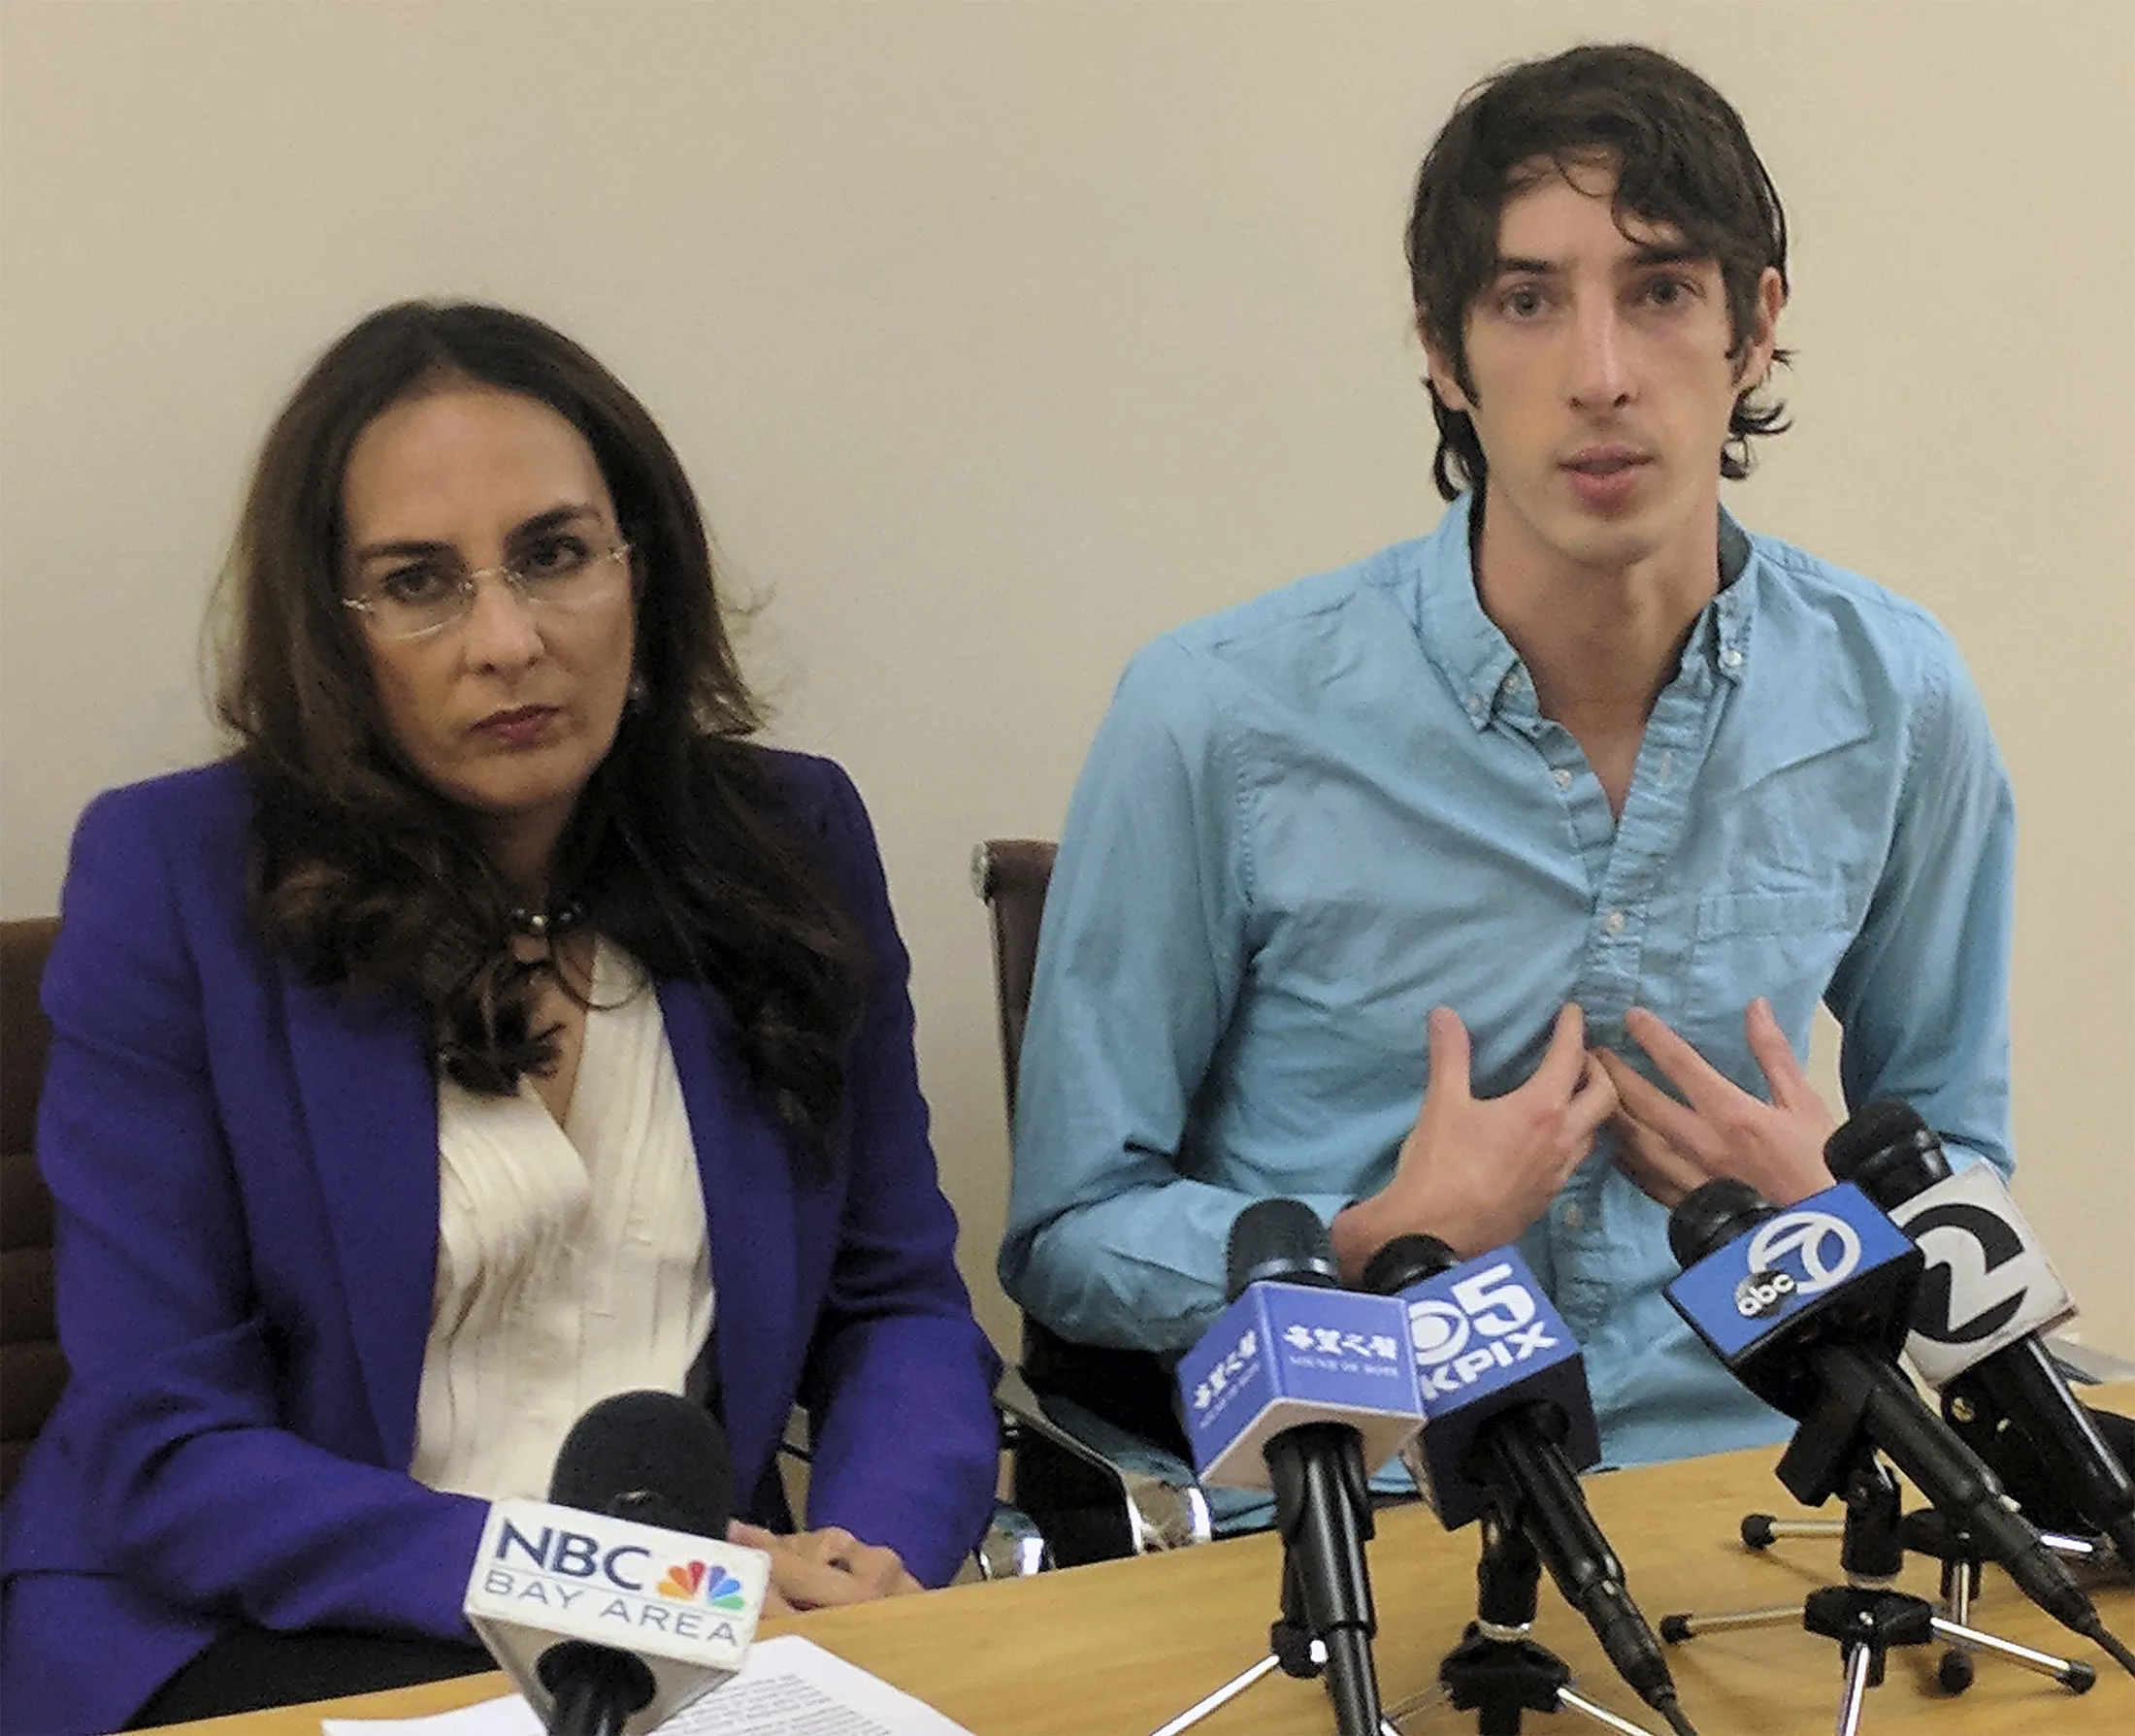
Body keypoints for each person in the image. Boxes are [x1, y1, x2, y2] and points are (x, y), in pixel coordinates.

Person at [1000, 44, 2014, 1479]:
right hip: (1372, 1503)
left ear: (1755, 327)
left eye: (1661, 292)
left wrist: (1842, 1222)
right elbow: (1066, 1235)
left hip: (1750, 1490)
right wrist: (1362, 1244)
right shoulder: (1215, 715)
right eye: (1527, 301)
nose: (1601, 377)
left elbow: (1964, 1159)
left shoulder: (1896, 693)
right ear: (1443, 348)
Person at [0, 302, 1002, 1734]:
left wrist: (867, 1559)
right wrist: (628, 1588)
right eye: (417, 582)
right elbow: (166, 1446)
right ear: (331, 631)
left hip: (699, 1634)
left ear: (641, 567)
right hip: (267, 1631)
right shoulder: (174, 878)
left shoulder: (790, 839)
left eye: (553, 555)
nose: (507, 640)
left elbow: (893, 1304)